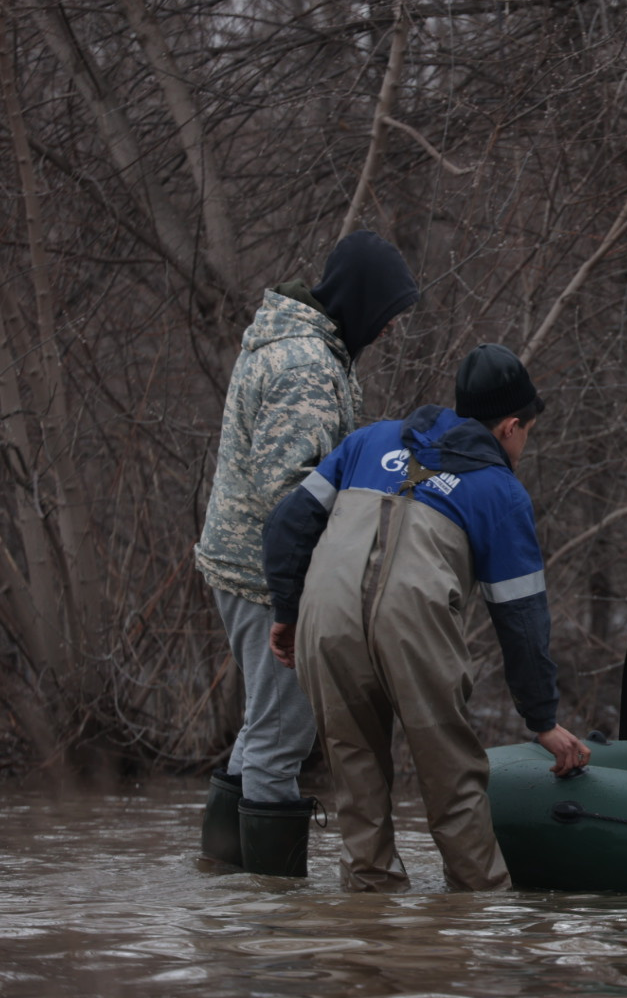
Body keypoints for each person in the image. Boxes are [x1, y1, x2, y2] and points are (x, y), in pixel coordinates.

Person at [262, 343, 591, 892]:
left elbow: (285, 526)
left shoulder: (367, 441)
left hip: (326, 612)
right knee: (453, 781)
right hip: (412, 623)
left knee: (356, 781)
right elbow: (522, 622)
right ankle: (477, 916)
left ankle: (370, 927)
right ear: (510, 427)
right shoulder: (500, 492)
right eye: (527, 433)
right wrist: (542, 720)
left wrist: (288, 612)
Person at [194, 230, 419, 874]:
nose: (388, 328)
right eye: (387, 313)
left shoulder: (309, 347)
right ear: (362, 302)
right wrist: (298, 599)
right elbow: (291, 498)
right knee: (281, 734)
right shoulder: (306, 368)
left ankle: (224, 875)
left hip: (244, 565)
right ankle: (273, 904)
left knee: (263, 724)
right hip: (267, 576)